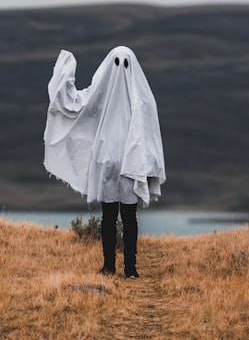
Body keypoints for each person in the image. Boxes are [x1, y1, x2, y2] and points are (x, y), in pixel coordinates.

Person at [44, 46, 166, 278]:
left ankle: (125, 267)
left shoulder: (134, 98)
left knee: (122, 217)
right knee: (116, 217)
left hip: (122, 164)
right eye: (117, 63)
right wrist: (65, 73)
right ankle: (116, 267)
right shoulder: (127, 96)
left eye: (125, 63)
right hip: (116, 163)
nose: (121, 69)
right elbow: (74, 104)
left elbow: (76, 104)